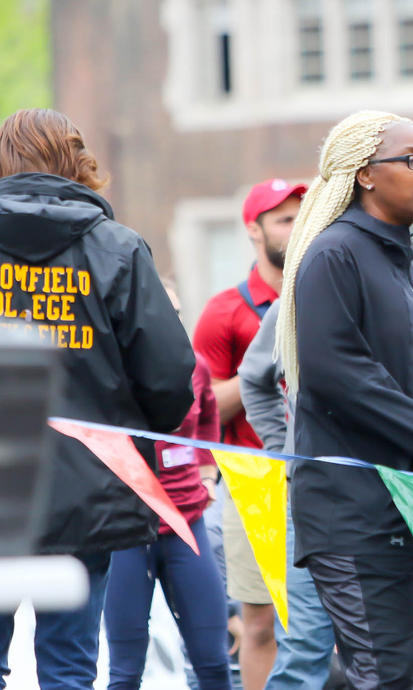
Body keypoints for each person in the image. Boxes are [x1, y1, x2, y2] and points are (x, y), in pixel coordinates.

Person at [278, 110, 413, 690]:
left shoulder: (402, 262)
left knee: (409, 675)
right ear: (365, 174)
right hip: (355, 514)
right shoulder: (334, 254)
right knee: (383, 677)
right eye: (411, 160)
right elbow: (341, 376)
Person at [0, 108, 196, 689]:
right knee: (70, 666)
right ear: (77, 162)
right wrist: (131, 440)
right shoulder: (116, 248)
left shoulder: (116, 245)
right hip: (86, 489)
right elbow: (167, 375)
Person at [240, 289, 413, 690]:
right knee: (304, 648)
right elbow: (254, 380)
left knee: (411, 655)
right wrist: (286, 450)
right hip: (315, 498)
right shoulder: (298, 300)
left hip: (407, 494)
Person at [193, 177, 306, 690]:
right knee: (260, 623)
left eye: (302, 215)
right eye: (284, 219)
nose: (297, 227)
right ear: (254, 232)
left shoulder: (329, 290)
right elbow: (202, 406)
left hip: (324, 475)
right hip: (253, 479)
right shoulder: (224, 311)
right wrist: (267, 358)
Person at [104, 285, 232, 690]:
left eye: (176, 312)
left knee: (213, 663)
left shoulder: (195, 366)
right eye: (161, 312)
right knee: (126, 670)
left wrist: (208, 473)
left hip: (186, 523)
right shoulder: (109, 371)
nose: (167, 322)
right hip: (125, 528)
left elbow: (209, 420)